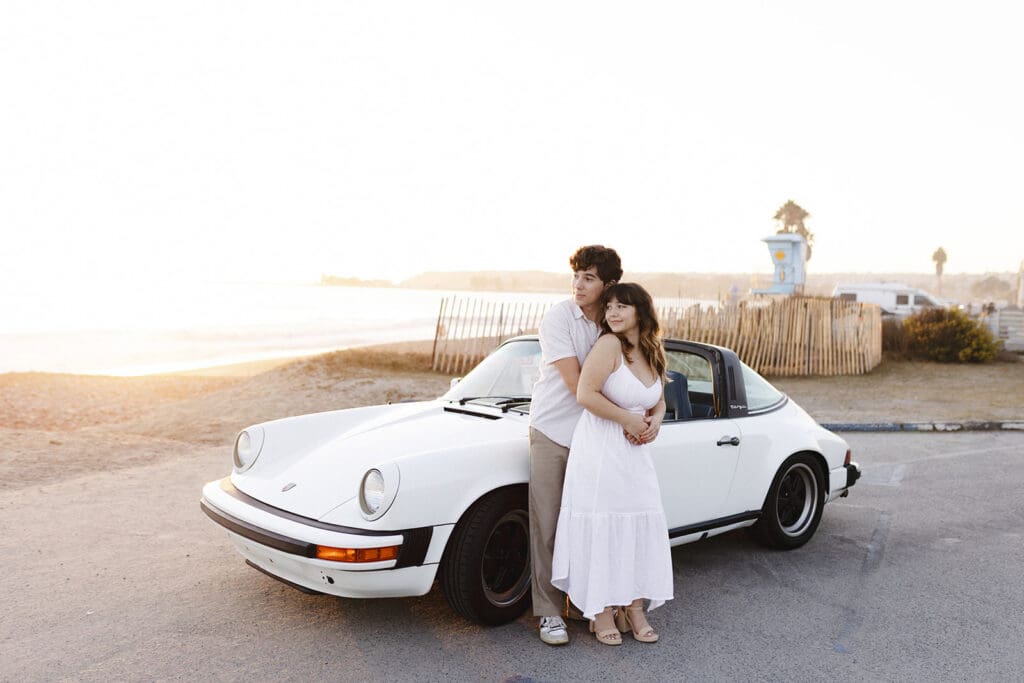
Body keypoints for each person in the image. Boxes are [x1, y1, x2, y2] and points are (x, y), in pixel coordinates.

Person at [551, 282, 673, 646]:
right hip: (602, 448)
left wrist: (655, 421)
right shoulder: (608, 345)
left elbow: (658, 399)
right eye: (609, 308)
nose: (613, 313)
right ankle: (601, 611)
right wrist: (627, 420)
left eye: (622, 306)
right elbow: (585, 393)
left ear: (640, 311)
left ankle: (634, 608)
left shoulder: (652, 349)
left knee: (637, 525)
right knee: (603, 525)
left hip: (636, 454)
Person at [529, 245, 622, 646]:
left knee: (589, 524)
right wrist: (628, 416)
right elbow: (577, 385)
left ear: (608, 284)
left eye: (589, 278)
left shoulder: (614, 321)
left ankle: (588, 604)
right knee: (547, 524)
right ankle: (549, 612)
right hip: (552, 430)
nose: (578, 285)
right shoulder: (559, 317)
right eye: (576, 276)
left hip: (595, 435)